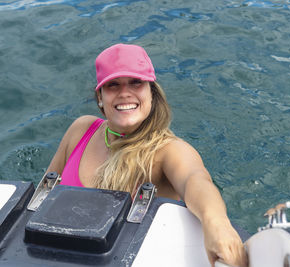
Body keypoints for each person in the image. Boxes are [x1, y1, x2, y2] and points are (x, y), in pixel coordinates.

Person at [46, 43, 248, 267]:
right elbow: (44, 194)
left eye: (136, 83)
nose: (124, 93)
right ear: (100, 97)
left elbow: (195, 180)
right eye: (113, 85)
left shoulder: (168, 151)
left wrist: (216, 223)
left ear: (151, 92)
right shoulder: (81, 130)